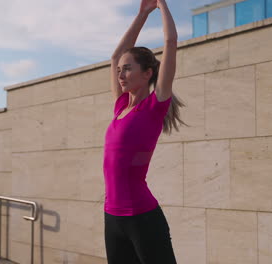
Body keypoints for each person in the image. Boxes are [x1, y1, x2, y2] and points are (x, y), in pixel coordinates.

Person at [103, 0, 186, 263]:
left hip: (142, 217)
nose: (121, 74)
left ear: (147, 73)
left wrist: (160, 5)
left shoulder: (154, 105)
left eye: (128, 69)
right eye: (119, 71)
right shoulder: (120, 106)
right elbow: (116, 56)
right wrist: (141, 14)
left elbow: (171, 41)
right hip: (112, 217)